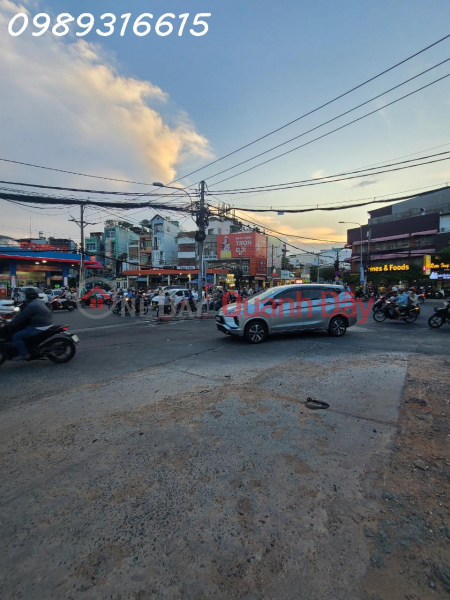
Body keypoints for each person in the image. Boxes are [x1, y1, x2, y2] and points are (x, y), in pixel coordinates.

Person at [4, 286, 53, 360]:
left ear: (29, 296)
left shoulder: (32, 305)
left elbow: (22, 317)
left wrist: (10, 324)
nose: (24, 296)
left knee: (16, 336)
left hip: (39, 325)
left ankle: (24, 354)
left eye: (25, 295)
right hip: (44, 322)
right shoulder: (37, 301)